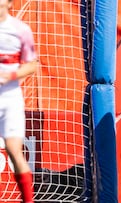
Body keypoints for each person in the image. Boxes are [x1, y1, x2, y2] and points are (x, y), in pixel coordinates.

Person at [0, 0, 38, 202]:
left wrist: (9, 76)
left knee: (14, 151)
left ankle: (28, 200)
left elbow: (32, 65)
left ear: (9, 3)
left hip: (9, 99)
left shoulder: (20, 30)